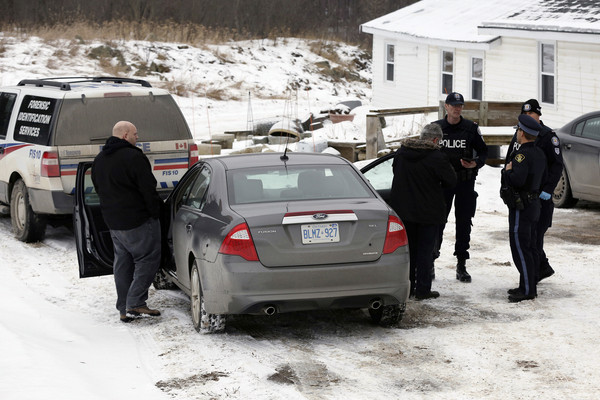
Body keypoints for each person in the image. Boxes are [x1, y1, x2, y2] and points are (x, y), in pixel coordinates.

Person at [92, 121, 163, 322]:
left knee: (122, 263)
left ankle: (124, 308)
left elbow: (99, 188)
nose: (137, 137)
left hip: (113, 223)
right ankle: (136, 303)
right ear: (124, 135)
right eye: (135, 133)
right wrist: (155, 212)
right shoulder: (134, 157)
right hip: (137, 220)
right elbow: (148, 188)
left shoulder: (99, 159)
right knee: (147, 259)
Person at [391, 124, 457, 300]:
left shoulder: (401, 153)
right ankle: (423, 290)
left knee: (409, 251)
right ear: (435, 140)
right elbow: (451, 180)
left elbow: (394, 172)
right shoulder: (437, 157)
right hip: (428, 214)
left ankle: (409, 287)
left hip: (404, 212)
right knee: (425, 253)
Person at [505, 99, 563, 283]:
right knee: (526, 238)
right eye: (526, 114)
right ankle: (538, 270)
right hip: (521, 194)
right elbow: (511, 157)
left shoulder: (547, 136)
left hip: (539, 195)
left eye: (532, 114)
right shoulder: (520, 133)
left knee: (534, 238)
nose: (529, 117)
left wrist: (548, 190)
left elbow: (557, 166)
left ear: (539, 115)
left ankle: (532, 278)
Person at [433, 92, 488, 283]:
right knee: (437, 221)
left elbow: (483, 152)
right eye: (453, 105)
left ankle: (461, 264)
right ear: (446, 107)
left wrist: (476, 163)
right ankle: (430, 261)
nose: (457, 109)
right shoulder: (436, 128)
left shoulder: (471, 129)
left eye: (460, 105)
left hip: (465, 182)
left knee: (464, 222)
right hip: (442, 184)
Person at [500, 114, 547, 302]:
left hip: (522, 206)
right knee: (529, 246)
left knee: (520, 247)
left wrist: (508, 171)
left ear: (523, 133)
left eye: (518, 130)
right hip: (534, 203)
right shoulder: (539, 153)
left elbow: (517, 180)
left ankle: (528, 290)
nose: (517, 133)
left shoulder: (521, 155)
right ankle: (526, 285)